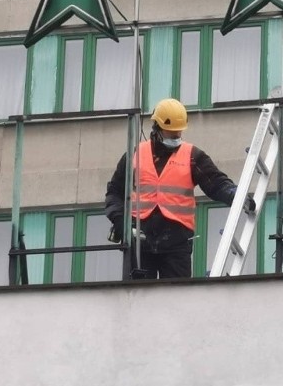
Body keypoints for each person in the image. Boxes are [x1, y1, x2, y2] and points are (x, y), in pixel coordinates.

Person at [105, 98, 253, 279]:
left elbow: (216, 183)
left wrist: (236, 195)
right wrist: (120, 221)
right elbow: (114, 193)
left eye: (178, 133)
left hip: (176, 244)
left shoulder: (192, 156)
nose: (176, 137)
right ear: (157, 128)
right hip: (140, 242)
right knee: (138, 300)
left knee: (177, 299)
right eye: (171, 133)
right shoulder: (136, 155)